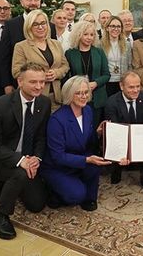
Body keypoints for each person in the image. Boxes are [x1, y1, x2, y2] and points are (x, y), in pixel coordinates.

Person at [0, 63, 49, 240]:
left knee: (37, 204)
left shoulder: (44, 103)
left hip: (27, 157)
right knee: (21, 174)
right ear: (20, 81)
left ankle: (3, 186)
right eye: (33, 82)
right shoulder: (0, 105)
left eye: (42, 82)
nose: (39, 86)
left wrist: (36, 158)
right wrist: (21, 160)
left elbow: (41, 137)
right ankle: (0, 215)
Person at [41, 76, 112, 211]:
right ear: (69, 94)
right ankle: (54, 191)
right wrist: (86, 159)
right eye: (78, 93)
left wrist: (97, 133)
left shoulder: (88, 111)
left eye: (86, 92)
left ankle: (85, 194)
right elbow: (58, 156)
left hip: (78, 159)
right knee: (76, 196)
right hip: (57, 166)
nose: (83, 96)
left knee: (95, 166)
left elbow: (86, 141)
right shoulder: (57, 120)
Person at [104, 71, 143, 196]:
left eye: (137, 86)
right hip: (120, 137)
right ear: (121, 86)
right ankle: (117, 169)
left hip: (140, 136)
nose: (136, 90)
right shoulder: (111, 102)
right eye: (131, 87)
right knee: (108, 139)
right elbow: (114, 132)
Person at [0, 0, 56, 93]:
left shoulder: (50, 26)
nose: (33, 3)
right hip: (20, 86)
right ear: (21, 2)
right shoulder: (11, 25)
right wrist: (7, 84)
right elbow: (4, 58)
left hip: (48, 88)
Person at [12, 9, 69, 105]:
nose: (40, 27)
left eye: (43, 23)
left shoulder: (56, 44)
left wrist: (56, 73)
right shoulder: (21, 46)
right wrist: (41, 77)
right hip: (33, 98)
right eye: (36, 24)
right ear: (29, 26)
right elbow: (17, 72)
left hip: (56, 97)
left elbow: (65, 65)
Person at [65, 21, 110, 126]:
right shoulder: (70, 53)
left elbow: (106, 75)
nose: (89, 37)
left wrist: (95, 83)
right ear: (78, 35)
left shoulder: (99, 52)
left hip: (97, 98)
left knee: (94, 129)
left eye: (92, 34)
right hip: (77, 97)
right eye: (85, 34)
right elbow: (68, 76)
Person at [100, 16, 132, 96]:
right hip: (106, 82)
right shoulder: (100, 45)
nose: (116, 29)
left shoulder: (127, 45)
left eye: (118, 26)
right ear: (107, 28)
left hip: (122, 82)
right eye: (113, 26)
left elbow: (130, 64)